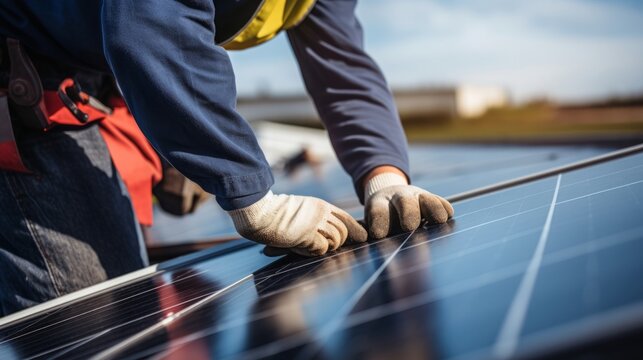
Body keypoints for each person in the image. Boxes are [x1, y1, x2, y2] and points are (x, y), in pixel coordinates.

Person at [0, 0, 453, 316]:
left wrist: (385, 178)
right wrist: (250, 193)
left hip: (82, 75)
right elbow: (145, 28)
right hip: (20, 74)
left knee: (134, 300)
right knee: (96, 314)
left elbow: (344, 67)